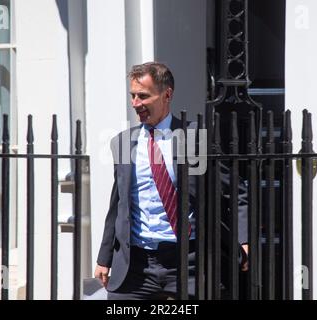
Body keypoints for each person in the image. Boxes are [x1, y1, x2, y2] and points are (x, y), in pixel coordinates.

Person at [94, 62, 248, 300]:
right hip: (136, 265)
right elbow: (118, 205)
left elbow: (236, 192)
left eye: (143, 96)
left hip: (188, 262)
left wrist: (244, 240)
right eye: (133, 96)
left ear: (167, 94)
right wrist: (104, 258)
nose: (136, 103)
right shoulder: (123, 143)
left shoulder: (196, 138)